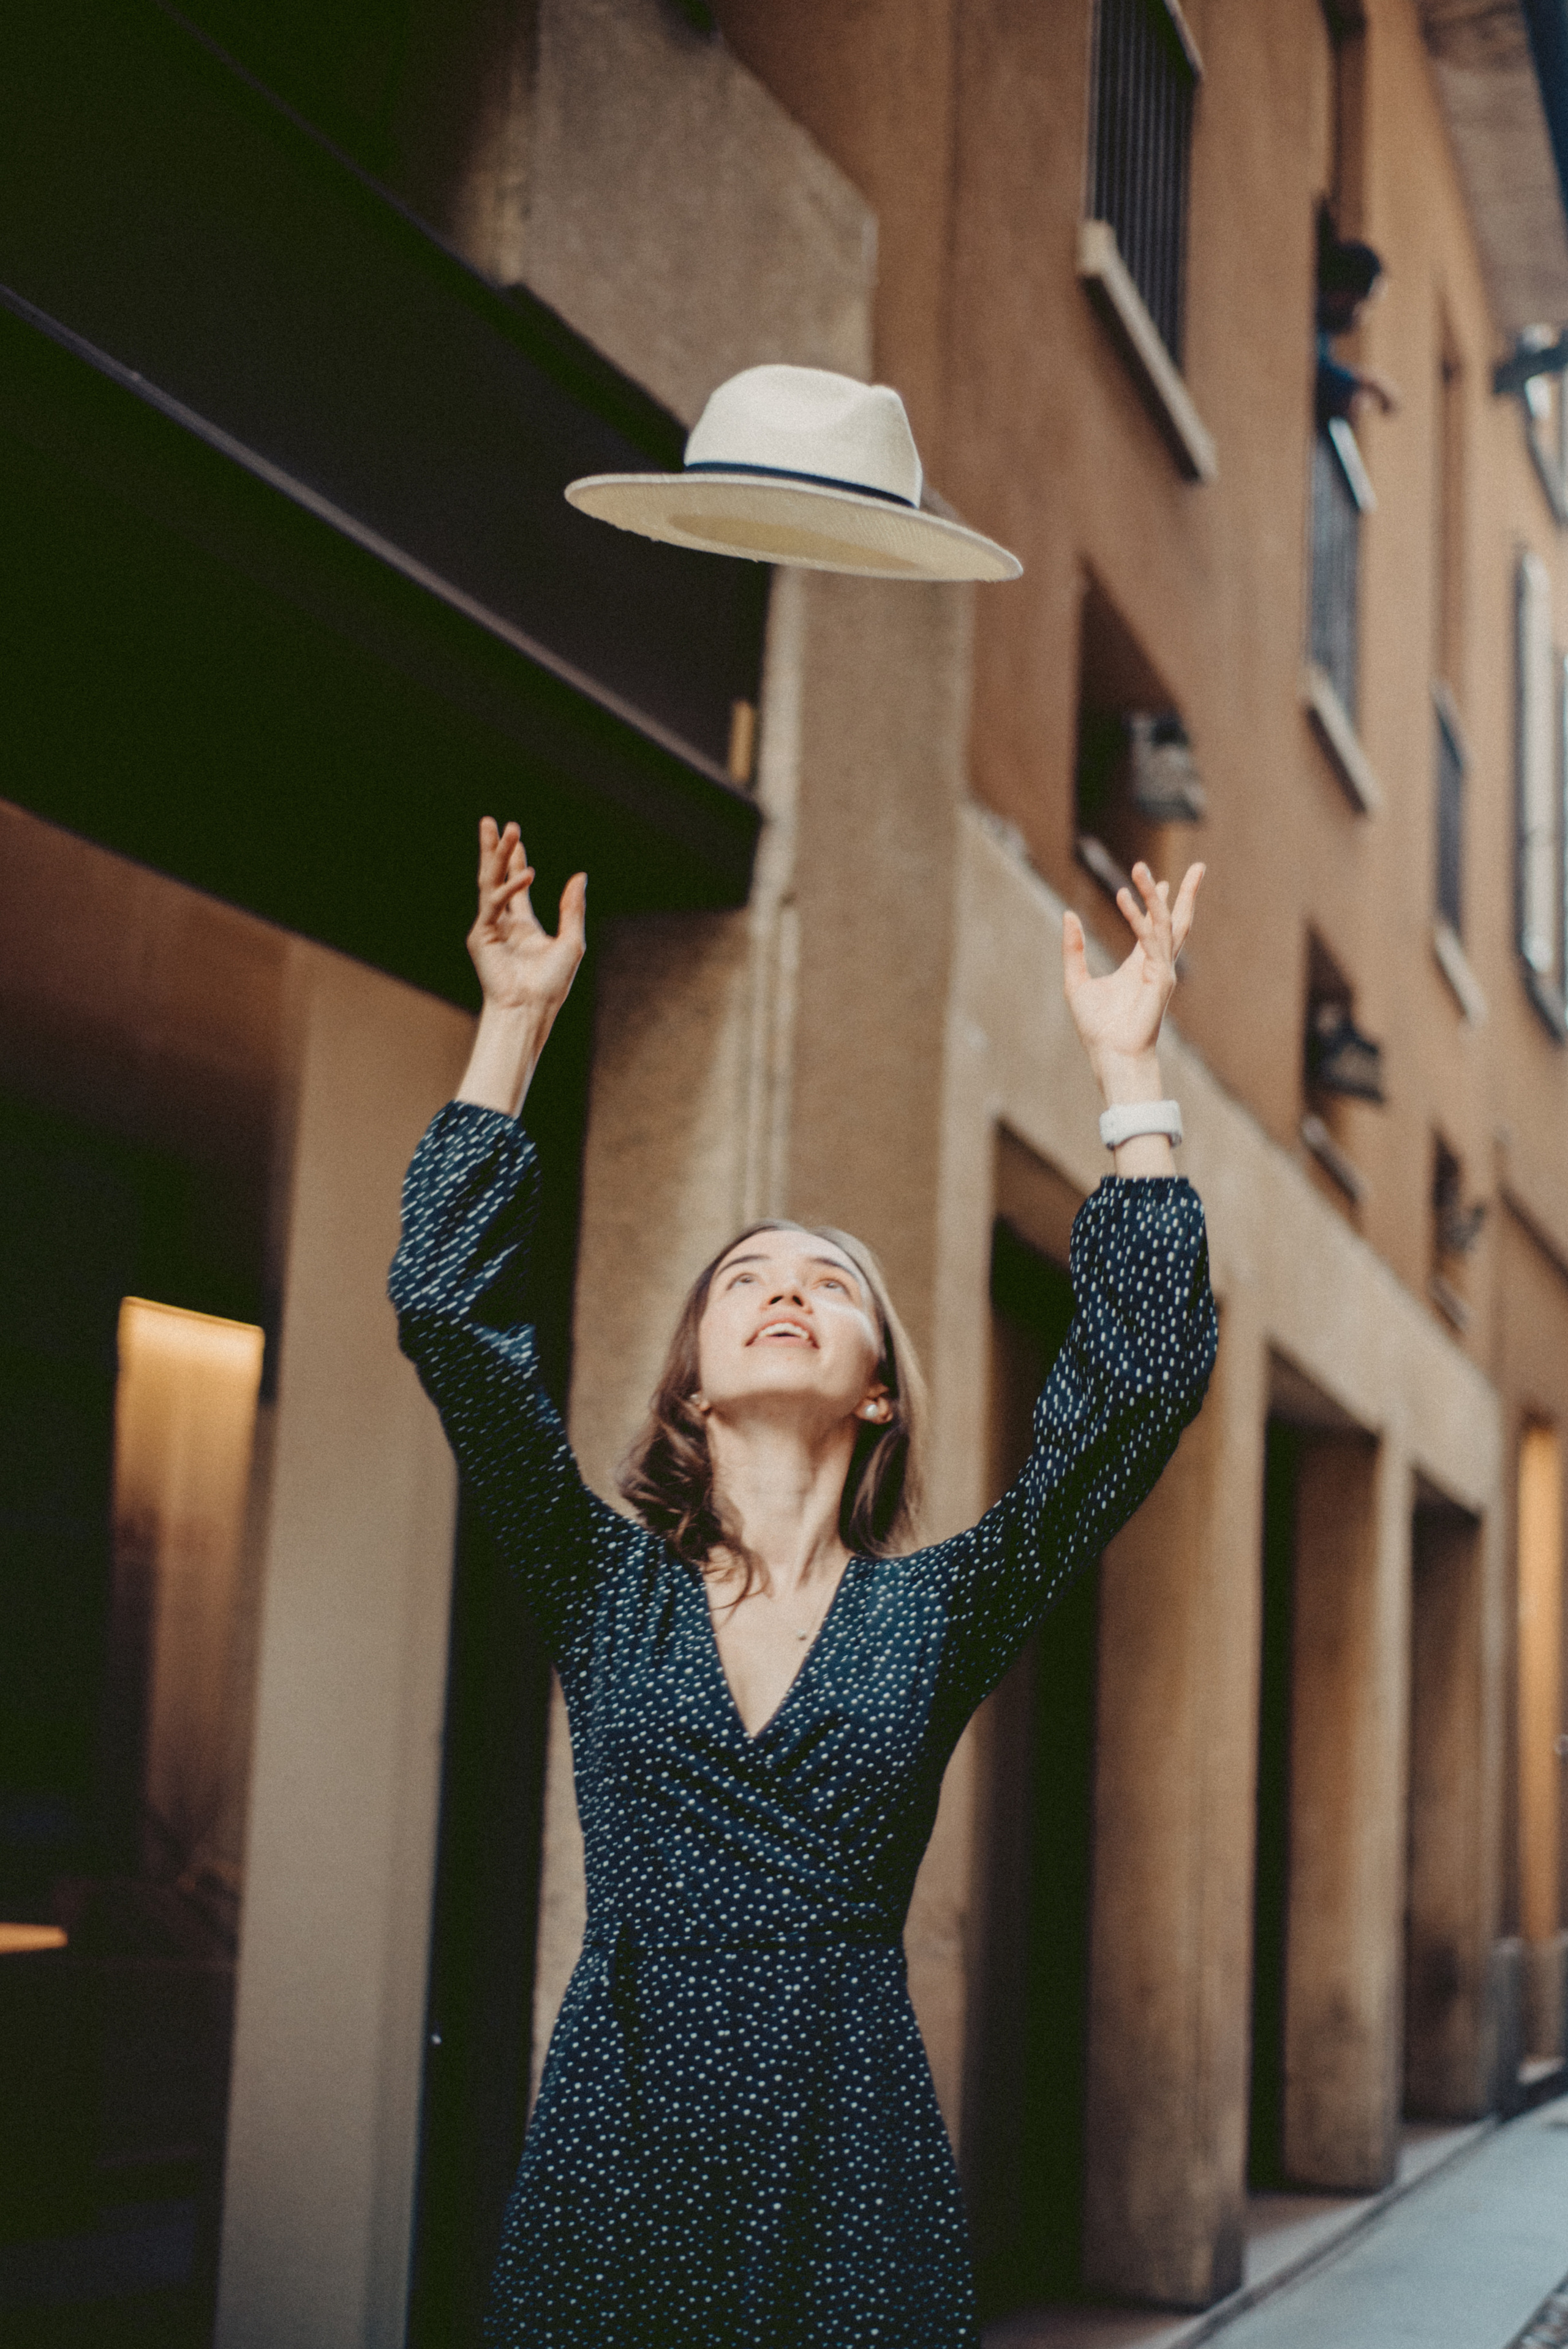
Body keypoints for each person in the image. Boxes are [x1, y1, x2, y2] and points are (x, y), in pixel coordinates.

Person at [389, 819, 1218, 2349]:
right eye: (746, 1280)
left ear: (879, 1393)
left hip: (848, 2160)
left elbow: (1140, 1387)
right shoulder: (601, 1587)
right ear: (691, 1385)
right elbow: (445, 1309)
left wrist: (1128, 1080)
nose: (785, 1289)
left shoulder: (935, 1612)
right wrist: (512, 1023)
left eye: (829, 1282)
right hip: (616, 2142)